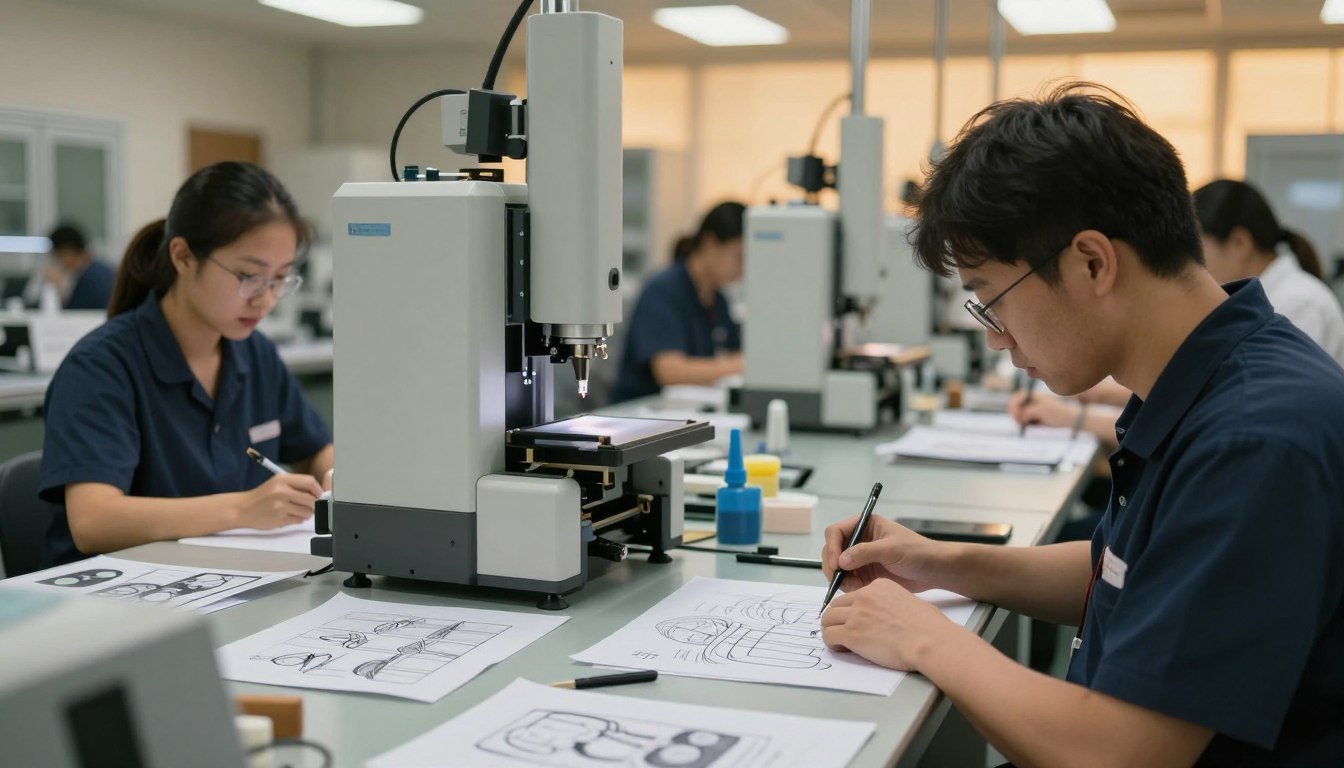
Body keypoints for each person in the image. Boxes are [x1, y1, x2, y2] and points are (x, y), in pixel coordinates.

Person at [821, 84, 1344, 765]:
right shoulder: (1215, 378)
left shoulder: (1253, 438)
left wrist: (922, 636)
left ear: (1092, 262)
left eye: (990, 299)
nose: (996, 339)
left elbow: (1121, 755)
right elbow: (1130, 571)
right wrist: (939, 563)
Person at [39, 161, 334, 567]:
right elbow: (93, 520)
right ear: (182, 256)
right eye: (249, 276)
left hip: (229, 580)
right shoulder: (102, 366)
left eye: (280, 279)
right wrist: (244, 509)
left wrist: (336, 478)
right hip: (118, 599)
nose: (265, 299)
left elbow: (315, 450)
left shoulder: (254, 353)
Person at [1012, 178, 1344, 433]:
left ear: (1240, 242)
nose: (1192, 262)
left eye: (1198, 246)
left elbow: (1239, 416)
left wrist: (1075, 417)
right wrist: (1096, 395)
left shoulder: (1300, 302)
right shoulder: (1263, 299)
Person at [609, 202, 745, 403]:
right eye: (738, 256)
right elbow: (670, 371)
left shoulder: (718, 300)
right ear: (709, 244)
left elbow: (735, 352)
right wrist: (741, 365)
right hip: (640, 411)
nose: (742, 268)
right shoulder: (663, 290)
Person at [42, 223, 117, 310]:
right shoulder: (94, 270)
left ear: (67, 252)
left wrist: (60, 291)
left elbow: (75, 313)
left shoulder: (92, 278)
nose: (58, 263)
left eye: (58, 256)